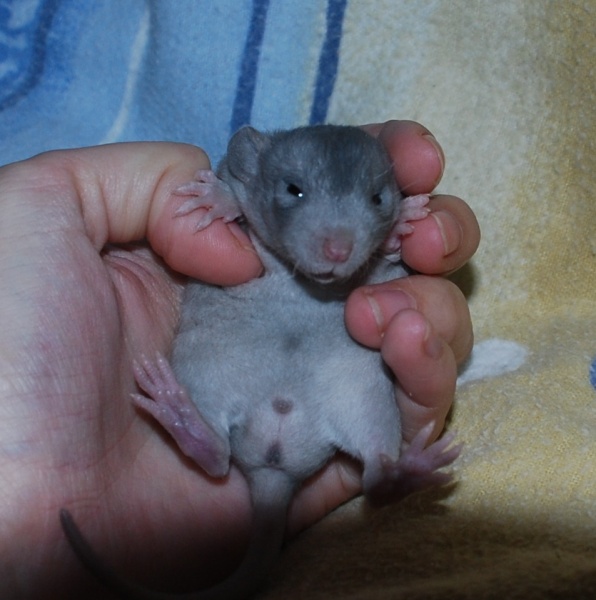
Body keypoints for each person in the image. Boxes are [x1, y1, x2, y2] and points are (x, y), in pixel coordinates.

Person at [0, 120, 479, 597]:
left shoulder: (386, 231)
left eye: (375, 201)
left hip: (327, 381)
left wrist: (393, 240)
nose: (338, 246)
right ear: (251, 166)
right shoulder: (237, 203)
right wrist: (225, 201)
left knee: (368, 358)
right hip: (241, 354)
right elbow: (229, 197)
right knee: (207, 346)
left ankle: (381, 468)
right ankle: (208, 436)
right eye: (294, 193)